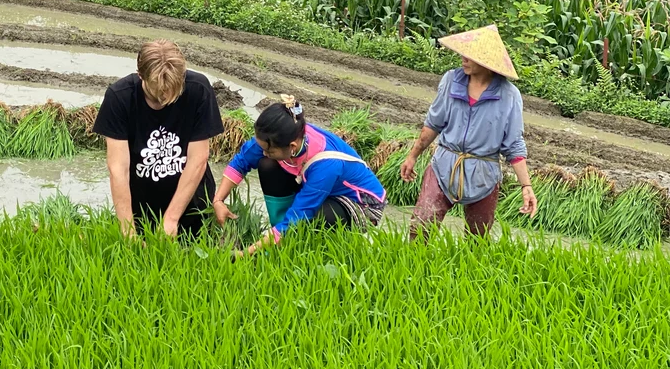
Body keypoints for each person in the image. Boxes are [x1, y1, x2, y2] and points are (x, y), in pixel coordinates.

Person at [401, 24, 538, 238]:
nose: (463, 58)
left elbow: (514, 145)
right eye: (463, 53)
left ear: (487, 61)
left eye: (470, 55)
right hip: (444, 165)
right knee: (420, 228)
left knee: (477, 238)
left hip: (484, 173)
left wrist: (526, 186)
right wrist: (412, 156)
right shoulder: (451, 81)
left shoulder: (509, 96)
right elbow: (433, 124)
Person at [214, 96, 386, 256]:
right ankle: (277, 234)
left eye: (269, 150)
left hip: (362, 204)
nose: (264, 152)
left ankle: (300, 249)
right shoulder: (277, 135)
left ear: (292, 146)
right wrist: (218, 201)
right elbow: (241, 161)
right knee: (268, 165)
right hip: (319, 186)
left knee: (316, 216)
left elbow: (299, 216)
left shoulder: (326, 165)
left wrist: (245, 254)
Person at [92, 40, 223, 238]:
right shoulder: (119, 97)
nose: (163, 100)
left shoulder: (198, 89)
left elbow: (198, 160)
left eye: (172, 93)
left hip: (193, 205)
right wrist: (127, 230)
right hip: (142, 208)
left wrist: (171, 218)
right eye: (156, 94)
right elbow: (118, 169)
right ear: (140, 75)